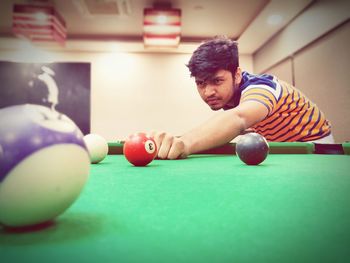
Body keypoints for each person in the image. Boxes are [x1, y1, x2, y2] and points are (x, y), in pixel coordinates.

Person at [151, 36, 334, 160]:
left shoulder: (262, 86)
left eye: (217, 81)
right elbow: (232, 126)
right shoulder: (228, 98)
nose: (208, 92)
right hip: (280, 151)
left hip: (316, 149)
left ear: (237, 74)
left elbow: (239, 118)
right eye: (201, 83)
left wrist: (185, 142)